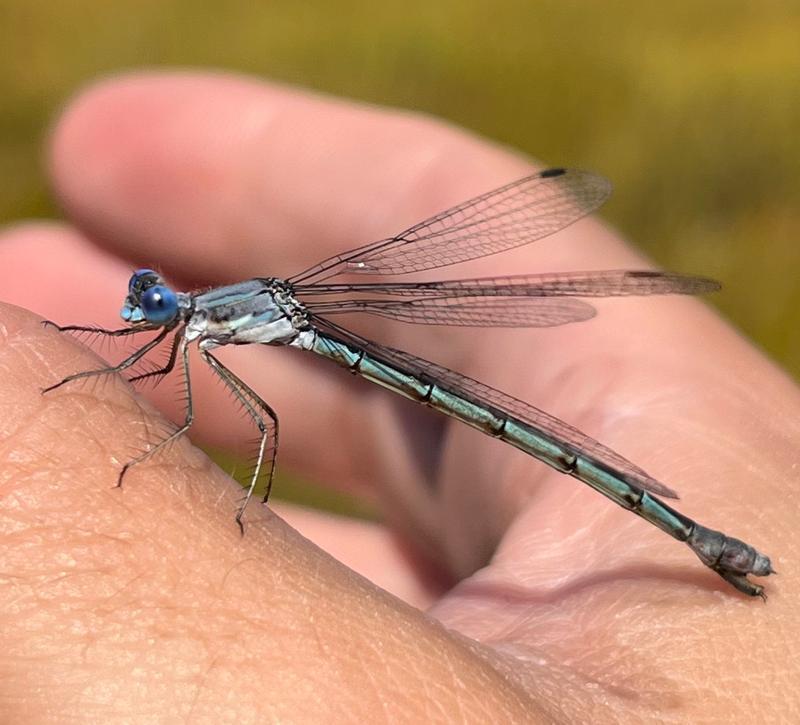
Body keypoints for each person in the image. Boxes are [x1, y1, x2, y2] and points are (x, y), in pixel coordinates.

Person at [0, 72, 796, 722]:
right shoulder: (195, 321)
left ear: (183, 311)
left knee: (260, 418)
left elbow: (229, 413)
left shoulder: (203, 322)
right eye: (151, 305)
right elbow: (146, 361)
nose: (147, 315)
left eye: (156, 305)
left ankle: (696, 537)